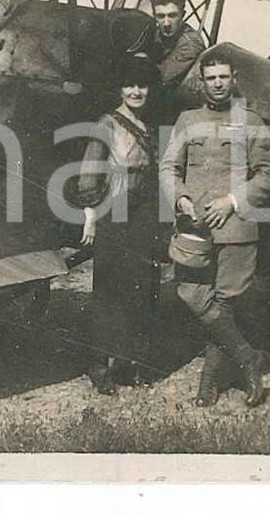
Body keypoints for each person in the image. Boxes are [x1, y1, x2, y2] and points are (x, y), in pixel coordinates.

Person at [159, 45, 270, 407]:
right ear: (202, 82)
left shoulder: (252, 121)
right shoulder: (186, 120)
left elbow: (269, 174)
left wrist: (232, 202)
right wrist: (178, 196)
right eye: (210, 78)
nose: (217, 84)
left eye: (223, 77)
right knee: (191, 293)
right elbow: (169, 166)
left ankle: (208, 383)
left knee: (225, 302)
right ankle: (248, 359)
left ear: (234, 79)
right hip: (194, 227)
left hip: (237, 228)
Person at [76, 56, 162, 395]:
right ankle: (101, 366)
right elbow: (89, 171)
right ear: (120, 88)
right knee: (110, 290)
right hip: (113, 212)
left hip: (142, 216)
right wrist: (90, 215)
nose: (137, 91)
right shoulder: (107, 124)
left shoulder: (148, 128)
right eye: (130, 84)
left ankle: (127, 363)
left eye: (142, 85)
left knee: (137, 289)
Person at [143, 0, 206, 91]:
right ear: (154, 16)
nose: (166, 23)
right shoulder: (153, 32)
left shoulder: (191, 43)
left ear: (183, 15)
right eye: (160, 16)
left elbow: (160, 78)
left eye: (172, 16)